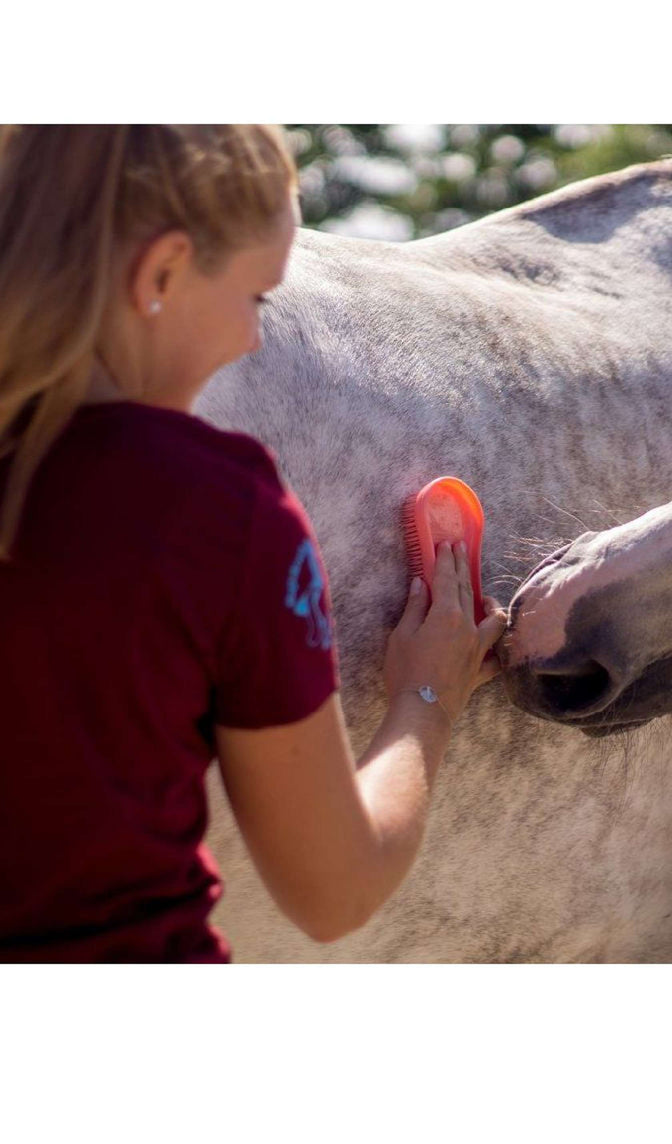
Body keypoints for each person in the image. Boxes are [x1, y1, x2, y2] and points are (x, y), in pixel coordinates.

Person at [0, 124, 508, 961]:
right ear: (159, 273)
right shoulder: (218, 507)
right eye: (254, 298)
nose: (252, 338)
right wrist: (428, 698)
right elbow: (335, 888)